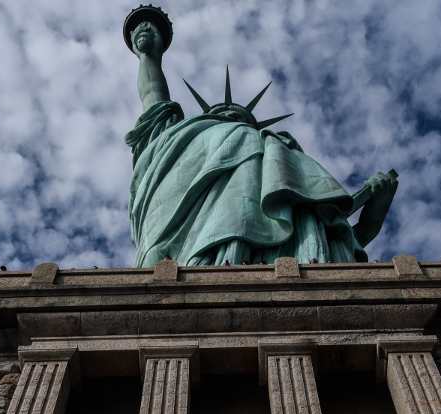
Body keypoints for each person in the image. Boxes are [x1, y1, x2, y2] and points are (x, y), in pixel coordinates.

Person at [123, 6, 398, 267]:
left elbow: (340, 237)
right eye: (222, 111)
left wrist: (378, 205)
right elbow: (153, 96)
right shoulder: (180, 138)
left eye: (239, 114)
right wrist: (148, 56)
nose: (230, 112)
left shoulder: (279, 157)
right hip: (189, 251)